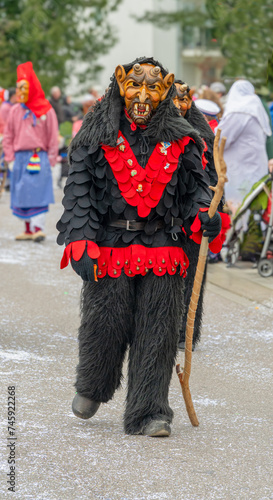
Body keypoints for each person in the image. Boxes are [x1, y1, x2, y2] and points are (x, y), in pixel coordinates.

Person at [57, 57, 222, 437]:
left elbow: (196, 191)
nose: (142, 95)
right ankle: (93, 386)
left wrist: (204, 217)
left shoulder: (184, 140)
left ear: (164, 90)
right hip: (111, 246)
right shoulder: (93, 134)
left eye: (152, 87)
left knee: (159, 332)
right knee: (105, 323)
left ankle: (150, 411)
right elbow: (79, 190)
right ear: (120, 84)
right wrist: (80, 239)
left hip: (164, 248)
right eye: (135, 85)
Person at [172, 81, 229, 350]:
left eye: (185, 100)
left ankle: (187, 332)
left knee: (193, 275)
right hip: (165, 218)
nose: (180, 105)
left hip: (196, 216)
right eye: (175, 99)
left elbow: (214, 179)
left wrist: (214, 211)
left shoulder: (205, 136)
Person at [3, 61, 59, 241]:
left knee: (38, 192)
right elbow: (8, 135)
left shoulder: (46, 110)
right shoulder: (14, 111)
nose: (20, 92)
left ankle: (38, 228)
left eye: (23, 88)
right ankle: (28, 229)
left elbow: (52, 136)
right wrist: (10, 158)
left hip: (38, 156)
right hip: (19, 158)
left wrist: (51, 160)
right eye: (18, 88)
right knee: (22, 193)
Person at [216, 79, 272, 215]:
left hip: (240, 170)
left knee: (241, 212)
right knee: (254, 209)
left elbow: (220, 138)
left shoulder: (240, 111)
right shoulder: (255, 108)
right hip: (255, 167)